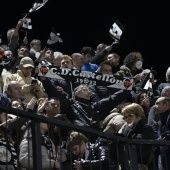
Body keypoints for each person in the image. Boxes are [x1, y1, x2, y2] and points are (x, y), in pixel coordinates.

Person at [119, 103, 155, 170]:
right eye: (125, 117)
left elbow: (138, 141)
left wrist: (127, 130)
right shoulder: (126, 128)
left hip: (141, 165)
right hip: (127, 165)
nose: (127, 119)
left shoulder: (147, 128)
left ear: (138, 115)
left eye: (130, 116)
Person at [153, 97, 170, 170]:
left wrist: (164, 136)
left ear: (166, 105)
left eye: (157, 104)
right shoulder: (160, 120)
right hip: (164, 160)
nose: (154, 106)